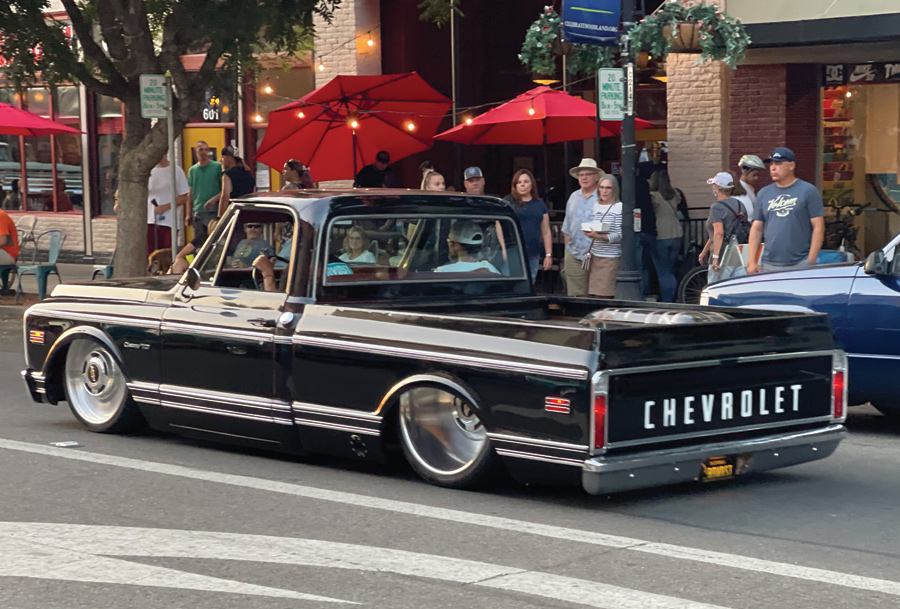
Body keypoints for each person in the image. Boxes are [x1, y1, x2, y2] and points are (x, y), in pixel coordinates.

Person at [748, 147, 825, 274]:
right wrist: (751, 261)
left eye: (778, 164)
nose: (773, 168)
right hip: (768, 264)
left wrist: (810, 260)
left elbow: (818, 226)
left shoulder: (808, 191)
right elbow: (757, 228)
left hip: (800, 262)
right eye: (771, 164)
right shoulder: (764, 193)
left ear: (791, 165)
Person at [561, 158, 604, 296]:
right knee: (575, 294)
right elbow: (567, 226)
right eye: (581, 175)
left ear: (596, 177)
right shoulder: (573, 196)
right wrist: (567, 249)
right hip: (574, 253)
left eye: (588, 174)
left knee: (599, 293)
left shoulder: (603, 196)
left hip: (597, 253)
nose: (584, 177)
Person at [699, 172, 749, 281]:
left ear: (717, 188)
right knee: (737, 289)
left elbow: (719, 233)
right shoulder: (740, 204)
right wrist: (704, 251)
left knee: (715, 289)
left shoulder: (716, 207)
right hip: (738, 254)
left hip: (722, 255)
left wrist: (715, 258)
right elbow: (715, 235)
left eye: (714, 185)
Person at [504, 169, 551, 281]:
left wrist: (548, 255)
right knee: (512, 284)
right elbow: (499, 226)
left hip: (533, 252)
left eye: (526, 182)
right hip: (513, 251)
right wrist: (503, 249)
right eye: (519, 182)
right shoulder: (508, 202)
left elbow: (546, 231)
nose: (522, 185)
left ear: (532, 184)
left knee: (530, 282)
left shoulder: (540, 204)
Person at [581, 175, 623, 298]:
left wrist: (601, 237)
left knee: (606, 293)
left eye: (608, 188)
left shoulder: (619, 207)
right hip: (595, 255)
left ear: (614, 190)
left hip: (610, 257)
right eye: (602, 187)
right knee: (595, 293)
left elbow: (621, 234)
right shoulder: (596, 206)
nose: (604, 191)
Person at [649, 168, 684, 302]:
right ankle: (672, 298)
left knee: (663, 272)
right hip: (676, 234)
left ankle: (667, 300)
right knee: (669, 270)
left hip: (661, 235)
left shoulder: (653, 196)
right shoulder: (675, 194)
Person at [146, 153, 190, 257]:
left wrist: (165, 207)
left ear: (165, 154)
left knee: (166, 253)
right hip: (150, 219)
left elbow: (184, 196)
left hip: (169, 221)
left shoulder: (176, 171)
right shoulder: (149, 171)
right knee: (150, 253)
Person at [187, 140, 222, 244]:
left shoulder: (217, 167)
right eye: (200, 149)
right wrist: (188, 214)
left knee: (213, 240)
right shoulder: (192, 170)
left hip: (213, 210)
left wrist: (214, 200)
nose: (203, 152)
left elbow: (225, 189)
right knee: (198, 242)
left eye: (206, 150)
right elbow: (190, 192)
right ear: (195, 151)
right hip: (198, 211)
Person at [434, 221, 500, 274]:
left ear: (456, 245)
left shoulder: (442, 272)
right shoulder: (490, 269)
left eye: (450, 242)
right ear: (480, 244)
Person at [215, 147, 255, 218]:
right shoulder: (248, 173)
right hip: (248, 212)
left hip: (234, 214)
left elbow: (225, 196)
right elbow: (253, 193)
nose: (220, 160)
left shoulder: (227, 174)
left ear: (229, 158)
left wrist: (220, 217)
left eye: (222, 157)